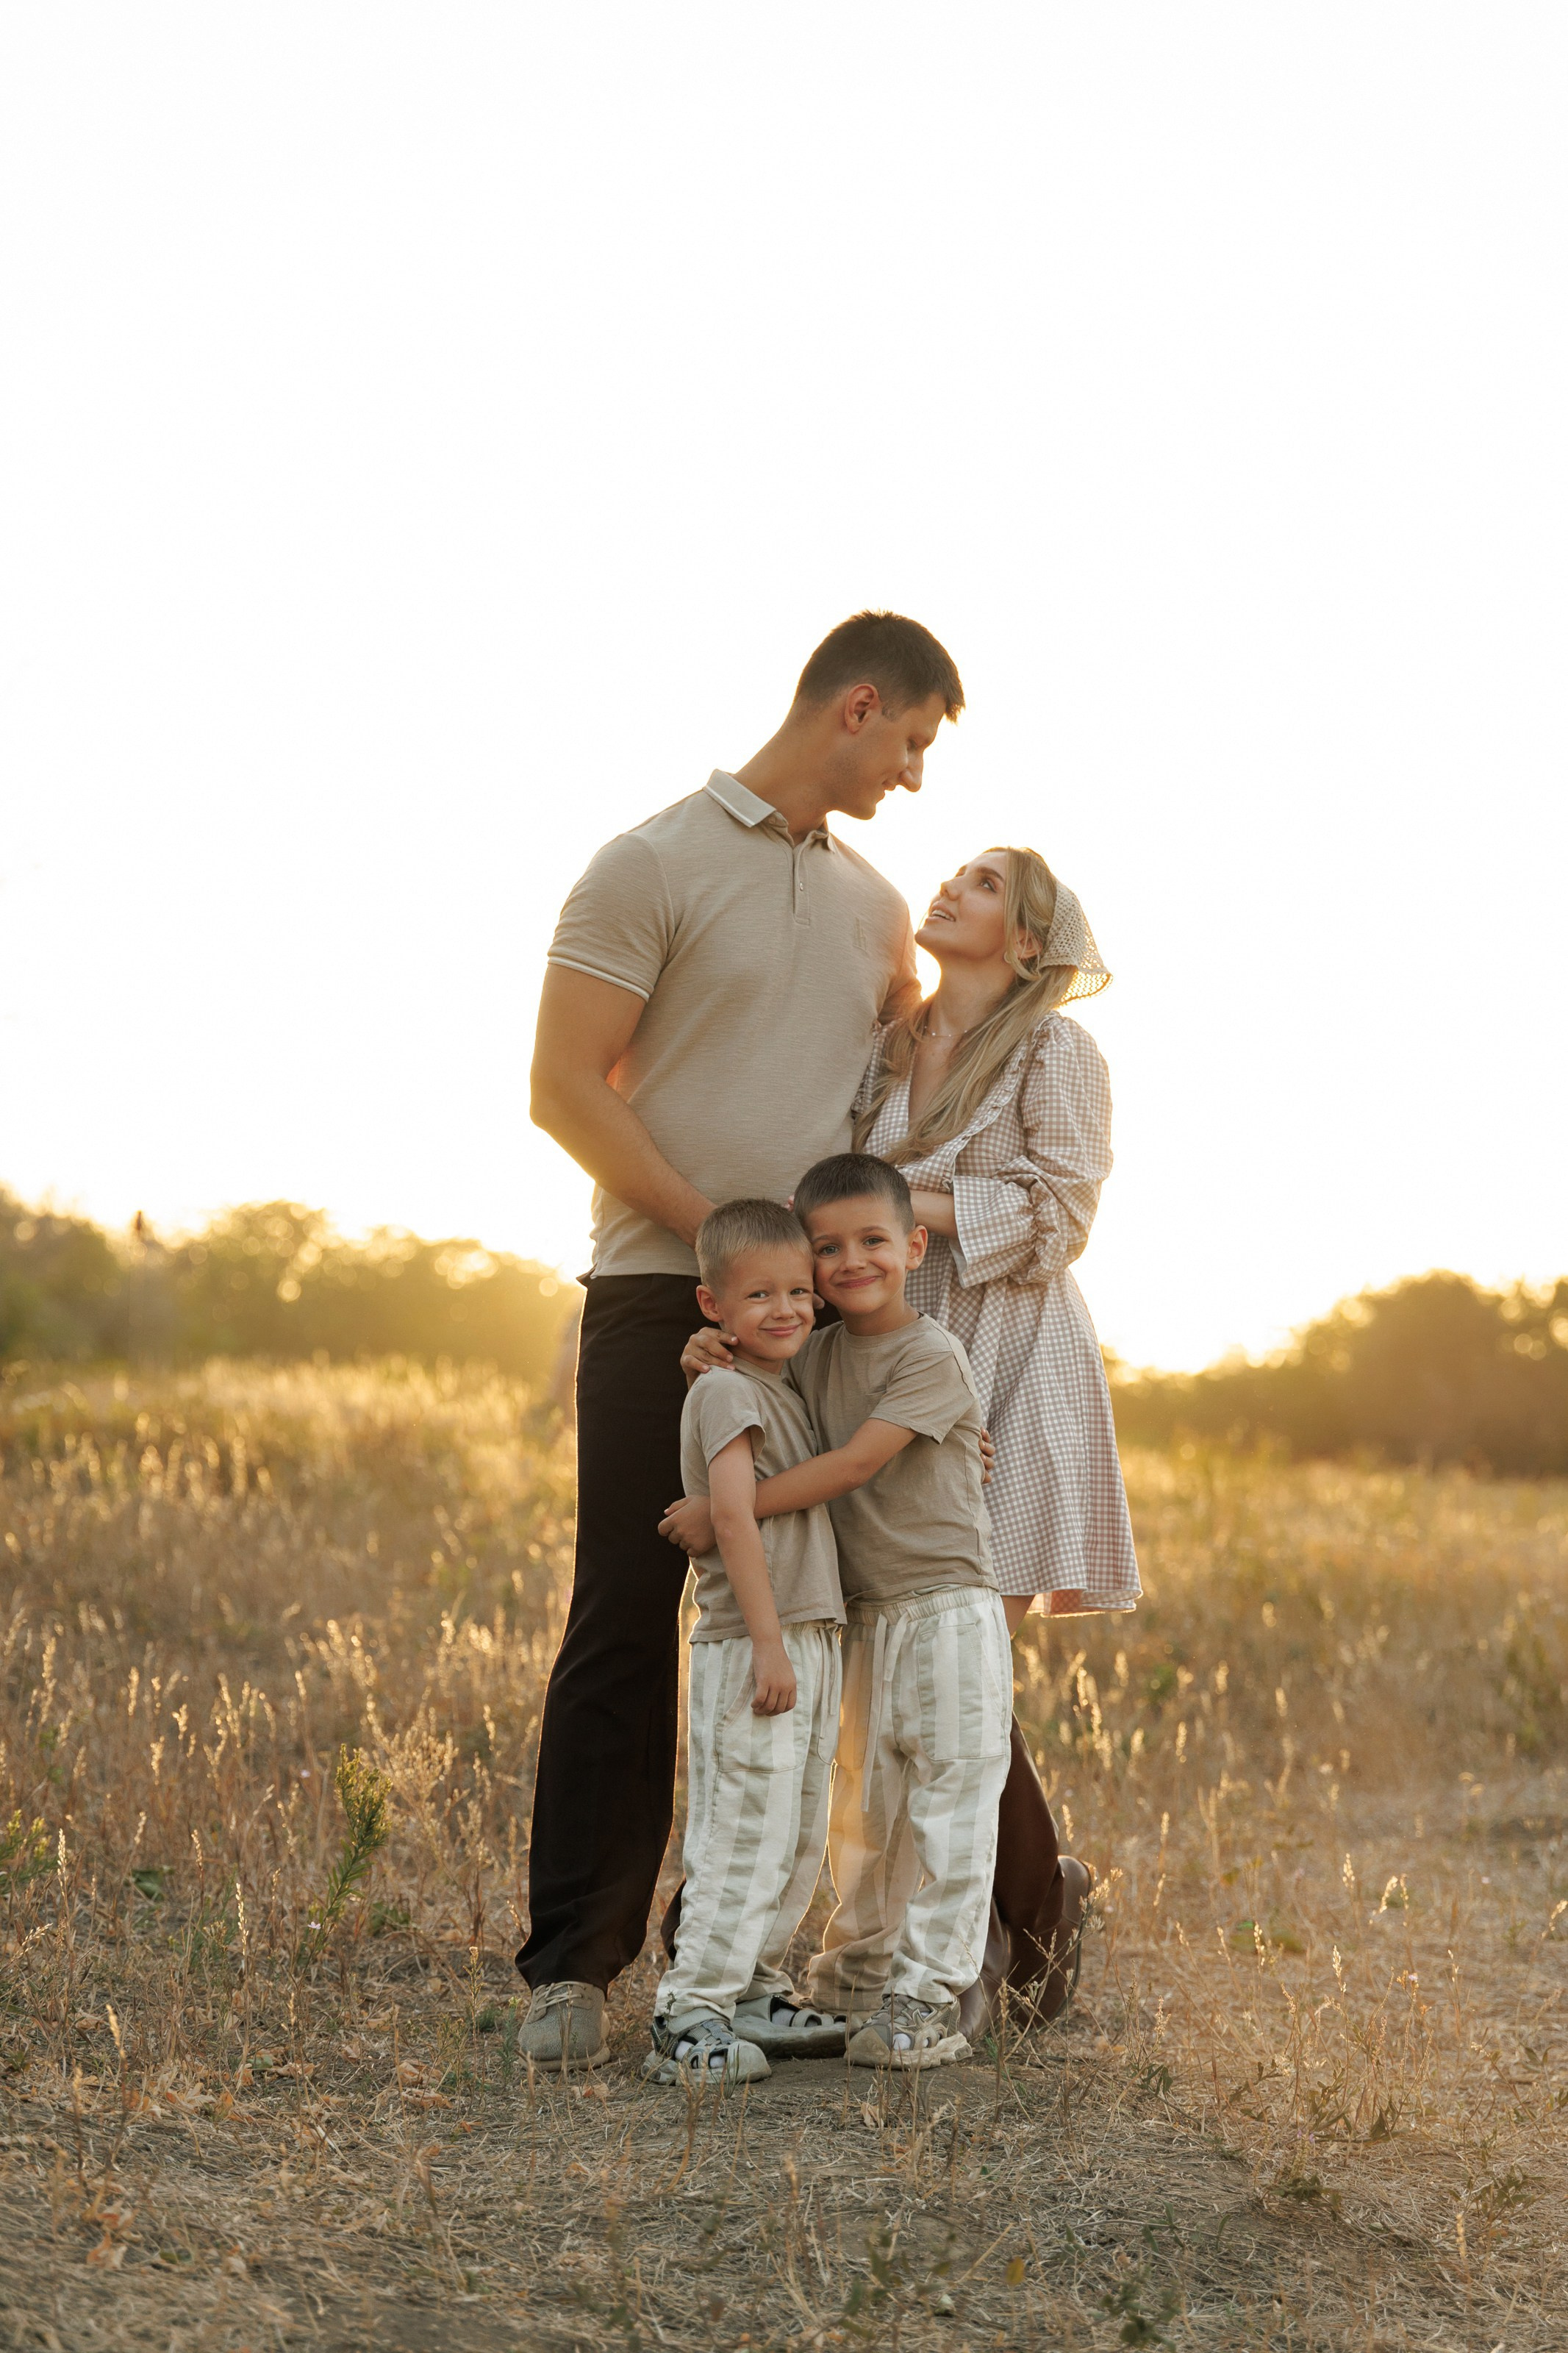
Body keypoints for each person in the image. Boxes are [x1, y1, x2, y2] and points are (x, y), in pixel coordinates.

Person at [518, 611, 962, 2068]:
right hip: (661, 1292)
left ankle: (735, 1957)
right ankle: (570, 1973)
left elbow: (899, 1106)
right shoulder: (647, 863)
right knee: (627, 1606)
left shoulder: (880, 907)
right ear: (855, 705)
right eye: (910, 738)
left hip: (820, 1323)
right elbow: (563, 1089)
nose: (911, 772)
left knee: (806, 1629)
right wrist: (723, 1254)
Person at [677, 846, 1136, 2035]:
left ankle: (975, 1953)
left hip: (1004, 1349)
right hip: (874, 1343)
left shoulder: (1052, 1051)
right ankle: (1031, 1905)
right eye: (958, 874)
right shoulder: (887, 1049)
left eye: (984, 884)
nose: (950, 888)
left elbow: (1057, 1216)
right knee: (900, 1656)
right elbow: (822, 1218)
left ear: (1029, 940)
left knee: (963, 1646)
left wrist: (875, 1213)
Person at [667, 1152, 1014, 2068]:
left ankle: (930, 1993)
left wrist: (722, 1511)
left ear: (915, 1244)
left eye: (873, 1240)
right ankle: (856, 1982)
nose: (852, 1260)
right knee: (864, 1813)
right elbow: (751, 1390)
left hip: (945, 1602)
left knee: (951, 1799)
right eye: (829, 1247)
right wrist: (708, 1348)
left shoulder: (931, 1350)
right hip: (857, 1615)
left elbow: (856, 1463)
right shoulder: (808, 1351)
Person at [645, 1199, 846, 2088]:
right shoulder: (724, 1388)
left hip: (810, 1634)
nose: (786, 1308)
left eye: (800, 1290)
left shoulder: (791, 1385)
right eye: (759, 1292)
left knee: (798, 1826)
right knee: (744, 1828)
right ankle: (689, 2008)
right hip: (753, 1639)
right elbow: (732, 1513)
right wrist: (769, 1645)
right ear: (710, 1303)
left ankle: (756, 1988)